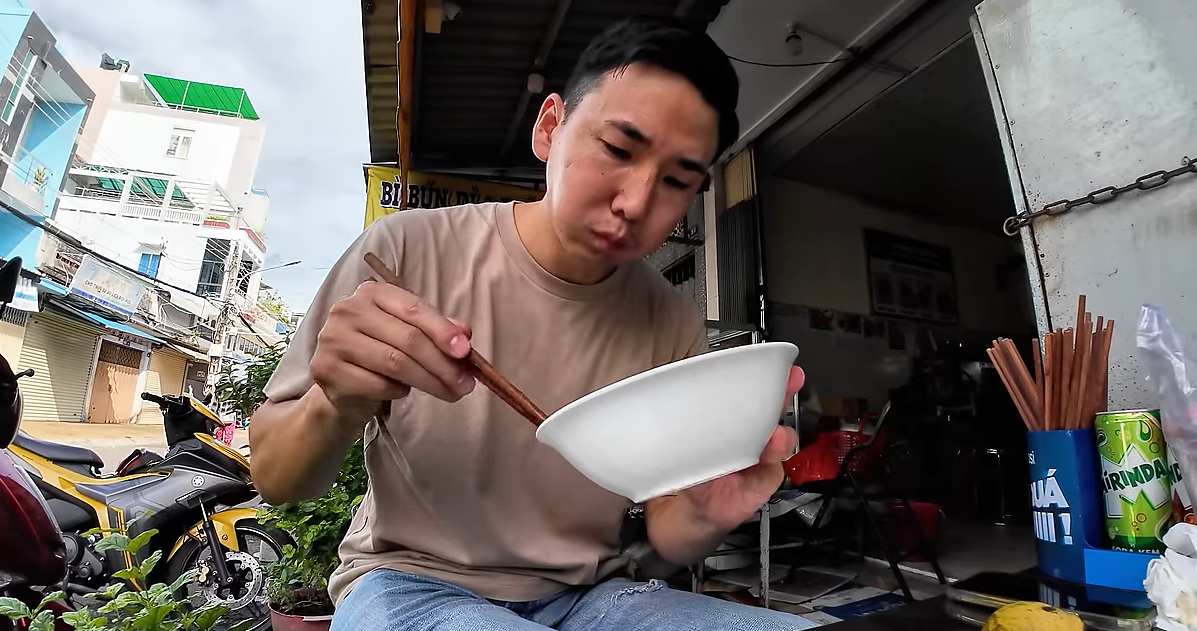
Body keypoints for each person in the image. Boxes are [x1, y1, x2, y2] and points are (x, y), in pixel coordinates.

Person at [251, 19, 813, 631]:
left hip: (595, 596)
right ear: (549, 128)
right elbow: (275, 477)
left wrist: (705, 513)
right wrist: (334, 403)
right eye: (619, 150)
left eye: (678, 181)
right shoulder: (407, 251)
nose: (636, 201)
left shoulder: (670, 315)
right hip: (411, 583)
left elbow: (667, 530)